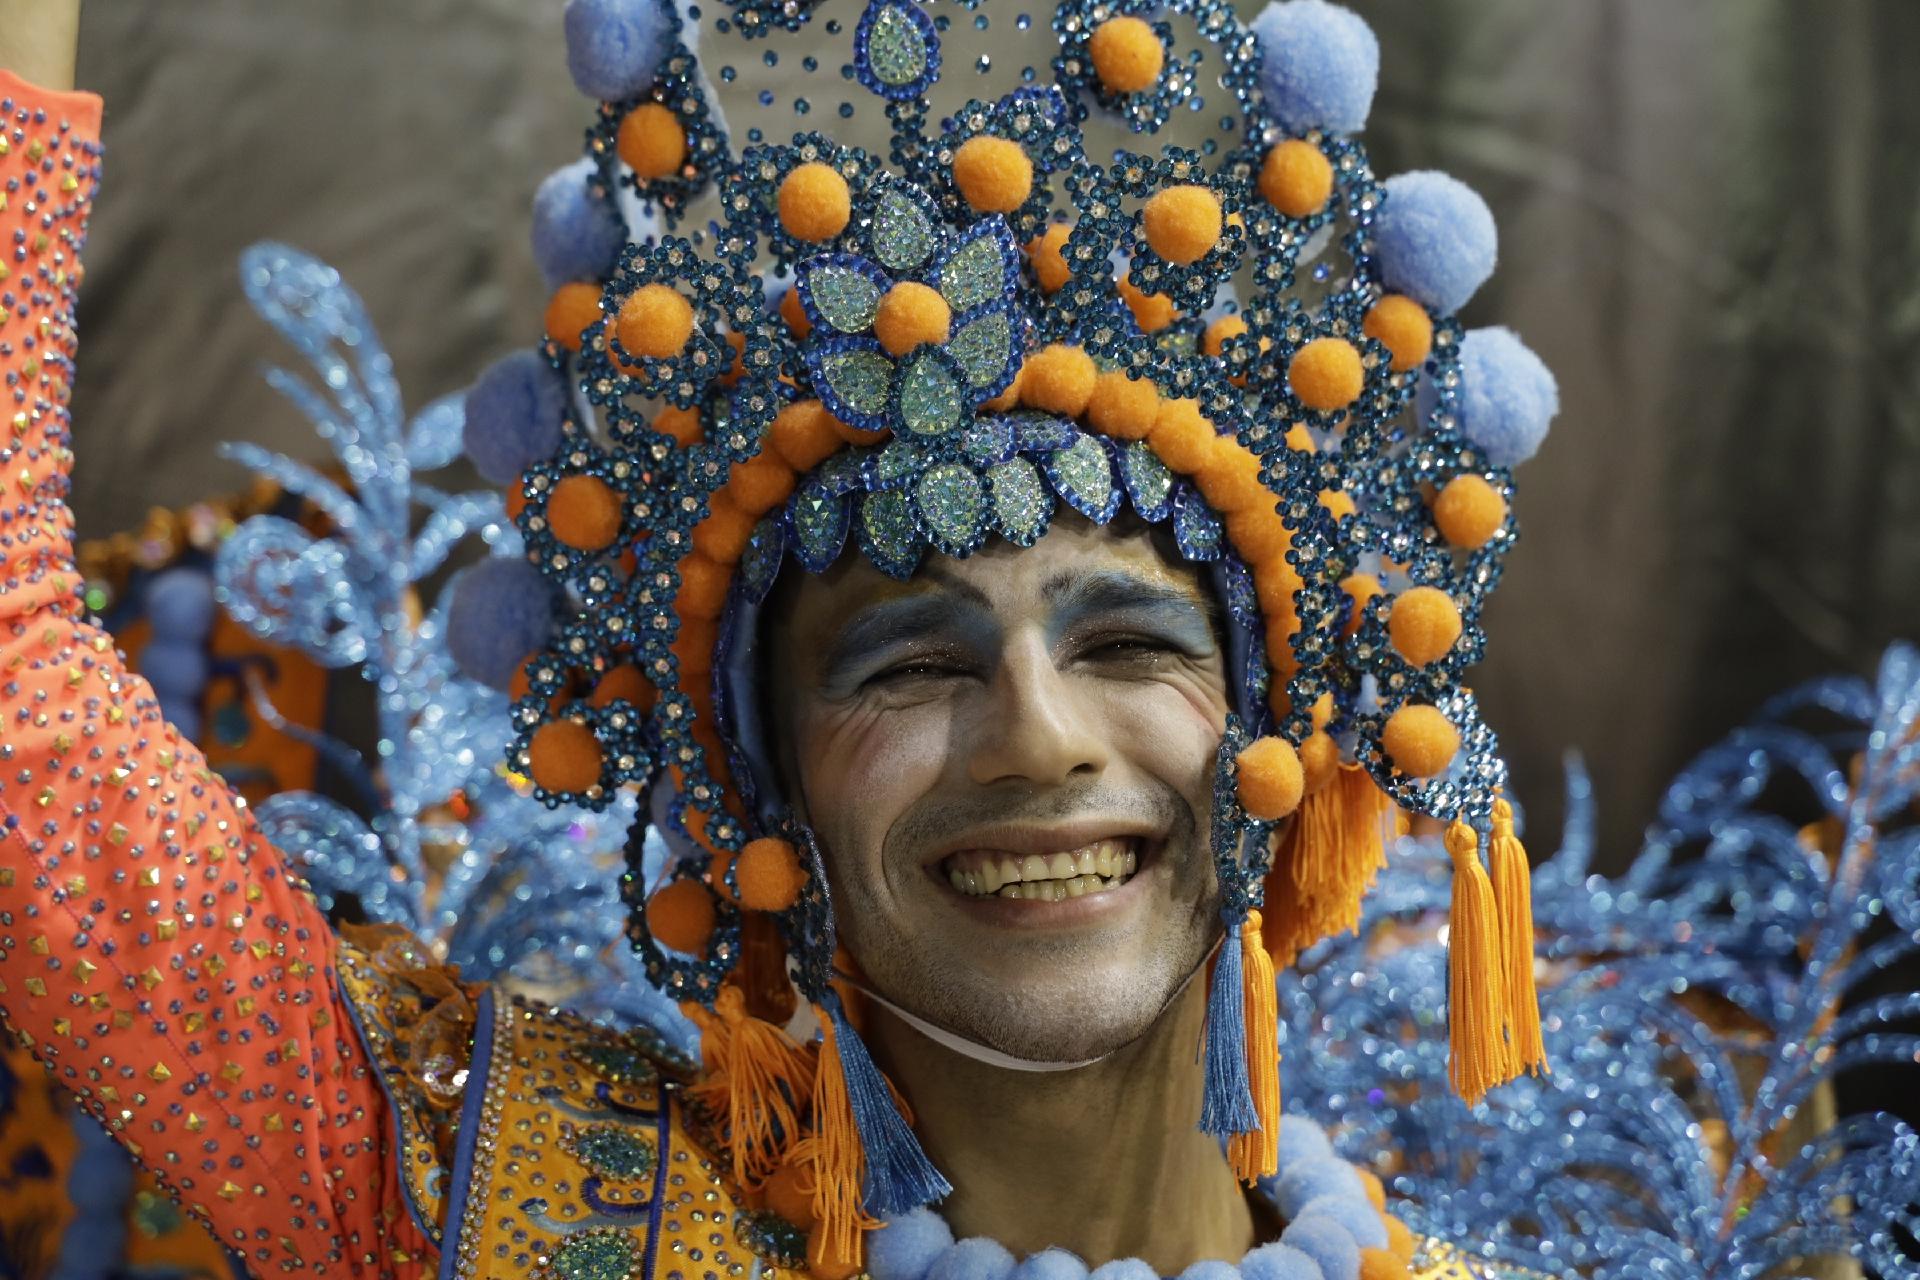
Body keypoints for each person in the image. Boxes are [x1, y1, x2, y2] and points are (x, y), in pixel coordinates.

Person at [0, 1, 1572, 1277]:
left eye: (1128, 646)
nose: (1039, 731)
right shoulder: (510, 1211)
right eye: (911, 665)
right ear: (767, 794)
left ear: (1271, 744)